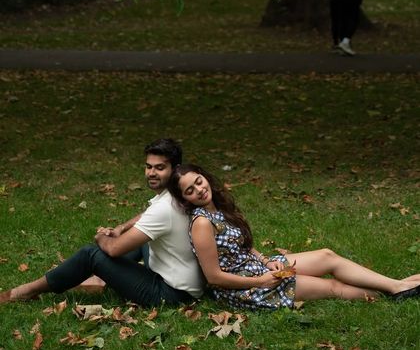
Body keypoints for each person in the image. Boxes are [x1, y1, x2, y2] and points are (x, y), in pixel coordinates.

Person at [168, 164, 420, 311]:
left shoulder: (218, 207)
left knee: (326, 256)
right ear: (185, 198)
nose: (199, 190)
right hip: (245, 288)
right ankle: (396, 291)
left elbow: (243, 247)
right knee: (332, 287)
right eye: (190, 190)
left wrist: (267, 262)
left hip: (258, 269)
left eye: (199, 182)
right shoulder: (202, 223)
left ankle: (397, 285)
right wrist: (261, 282)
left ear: (205, 178)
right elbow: (214, 277)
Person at [0, 139, 204, 307]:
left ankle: (27, 291)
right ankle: (96, 278)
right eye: (148, 167)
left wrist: (102, 237)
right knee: (137, 236)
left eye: (160, 168)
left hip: (171, 295)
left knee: (92, 254)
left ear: (175, 169)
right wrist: (121, 228)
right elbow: (147, 216)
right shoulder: (177, 195)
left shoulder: (164, 209)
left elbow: (114, 250)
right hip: (184, 281)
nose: (151, 173)